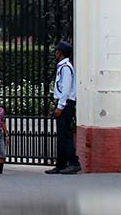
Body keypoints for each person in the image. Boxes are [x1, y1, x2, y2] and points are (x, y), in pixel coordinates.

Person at [46, 40, 81, 175]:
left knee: (65, 135)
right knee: (61, 136)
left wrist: (60, 106)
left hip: (66, 104)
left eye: (56, 51)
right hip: (64, 103)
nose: (55, 53)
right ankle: (60, 164)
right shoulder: (62, 66)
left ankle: (74, 163)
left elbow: (65, 89)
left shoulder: (66, 67)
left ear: (60, 53)